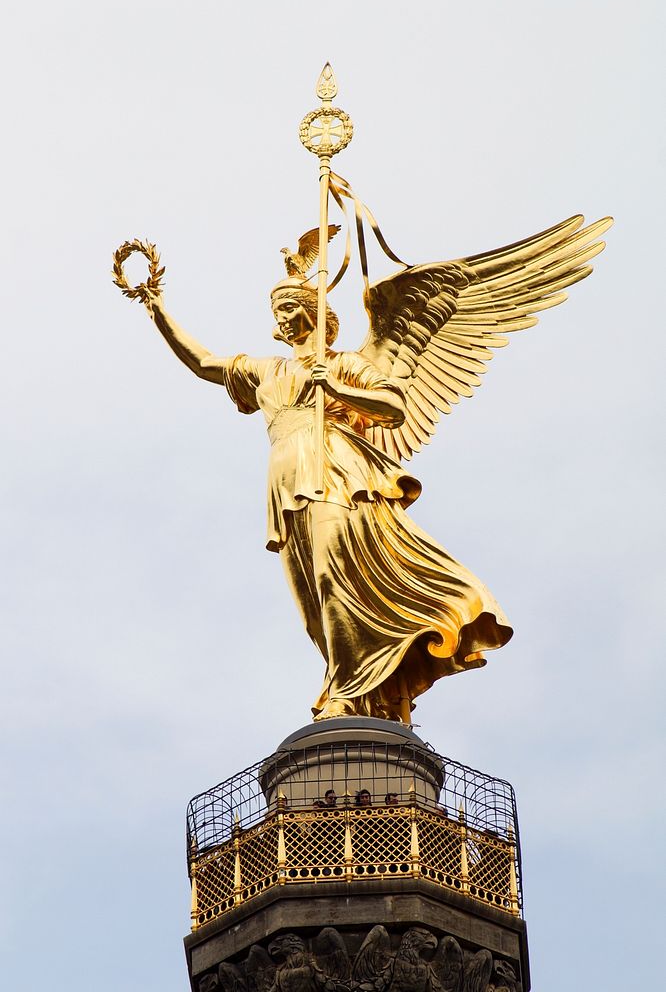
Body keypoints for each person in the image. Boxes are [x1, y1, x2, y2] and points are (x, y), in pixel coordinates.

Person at [143, 273, 511, 722]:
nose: (280, 317)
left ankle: (350, 691)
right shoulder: (268, 370)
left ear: (315, 313)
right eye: (276, 311)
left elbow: (393, 408)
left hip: (336, 470)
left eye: (288, 306)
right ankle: (360, 691)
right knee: (311, 597)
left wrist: (335, 389)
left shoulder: (345, 364)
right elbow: (203, 362)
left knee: (334, 575)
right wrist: (156, 307)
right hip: (285, 481)